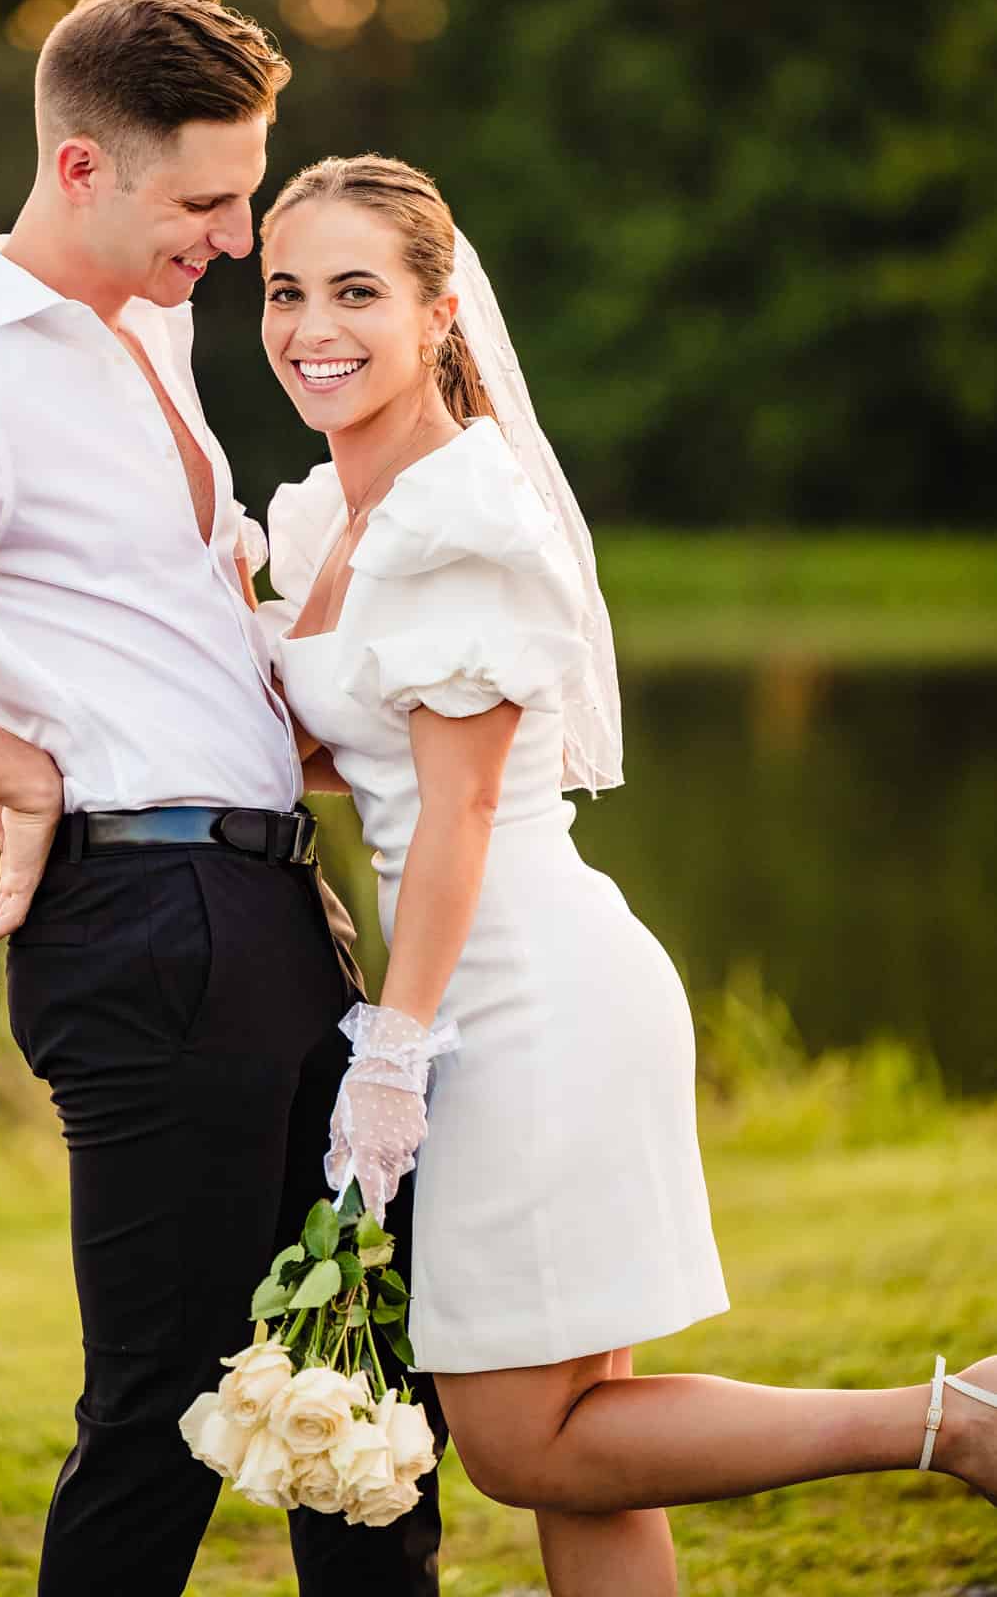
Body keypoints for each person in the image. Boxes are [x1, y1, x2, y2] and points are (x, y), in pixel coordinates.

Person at [0, 0, 446, 1597]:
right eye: (206, 200)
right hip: (148, 926)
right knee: (162, 1415)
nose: (240, 235)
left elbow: (148, 641)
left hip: (262, 903)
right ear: (78, 171)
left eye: (245, 192)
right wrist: (21, 769)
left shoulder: (155, 321)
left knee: (354, 1391)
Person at [254, 151, 997, 1597]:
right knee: (586, 1439)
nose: (311, 327)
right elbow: (381, 754)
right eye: (285, 293)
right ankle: (957, 1420)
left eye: (356, 290)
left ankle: (949, 1422)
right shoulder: (334, 518)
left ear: (439, 311)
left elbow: (460, 816)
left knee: (529, 1443)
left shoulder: (459, 517)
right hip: (488, 983)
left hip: (524, 993)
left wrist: (392, 1052)